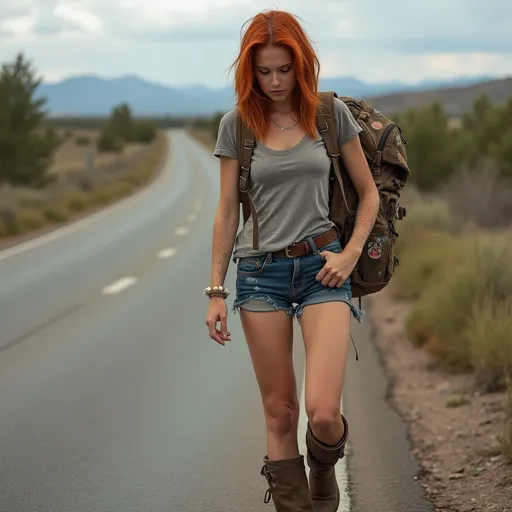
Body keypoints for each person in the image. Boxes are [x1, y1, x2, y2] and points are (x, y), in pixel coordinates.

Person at [204, 8, 380, 512]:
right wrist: (216, 290)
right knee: (280, 413)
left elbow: (367, 195)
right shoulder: (236, 126)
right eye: (264, 71)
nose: (275, 81)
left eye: (284, 69)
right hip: (261, 275)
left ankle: (323, 471)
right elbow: (225, 210)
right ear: (249, 70)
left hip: (325, 269)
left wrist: (348, 256)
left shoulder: (328, 114)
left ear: (301, 65)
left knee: (322, 412)